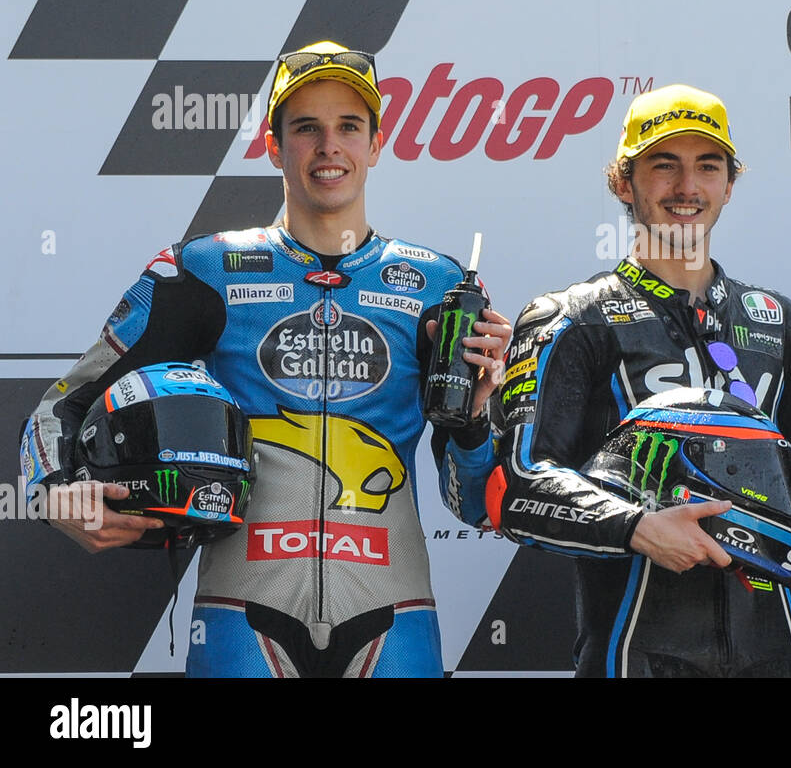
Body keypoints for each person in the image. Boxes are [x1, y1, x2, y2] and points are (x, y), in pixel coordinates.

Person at [18, 41, 511, 677]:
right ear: (274, 146)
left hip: (395, 613)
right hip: (240, 610)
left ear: (377, 144)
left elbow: (472, 502)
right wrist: (58, 493)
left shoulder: (440, 286)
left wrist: (475, 421)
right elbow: (62, 406)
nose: (329, 146)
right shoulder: (203, 270)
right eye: (306, 128)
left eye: (348, 127)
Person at [490, 83, 791, 677]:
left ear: (729, 185)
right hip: (634, 656)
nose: (687, 188)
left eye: (707, 166)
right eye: (665, 165)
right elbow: (519, 488)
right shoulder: (574, 319)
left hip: (773, 658)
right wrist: (638, 529)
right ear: (622, 182)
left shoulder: (786, 326)